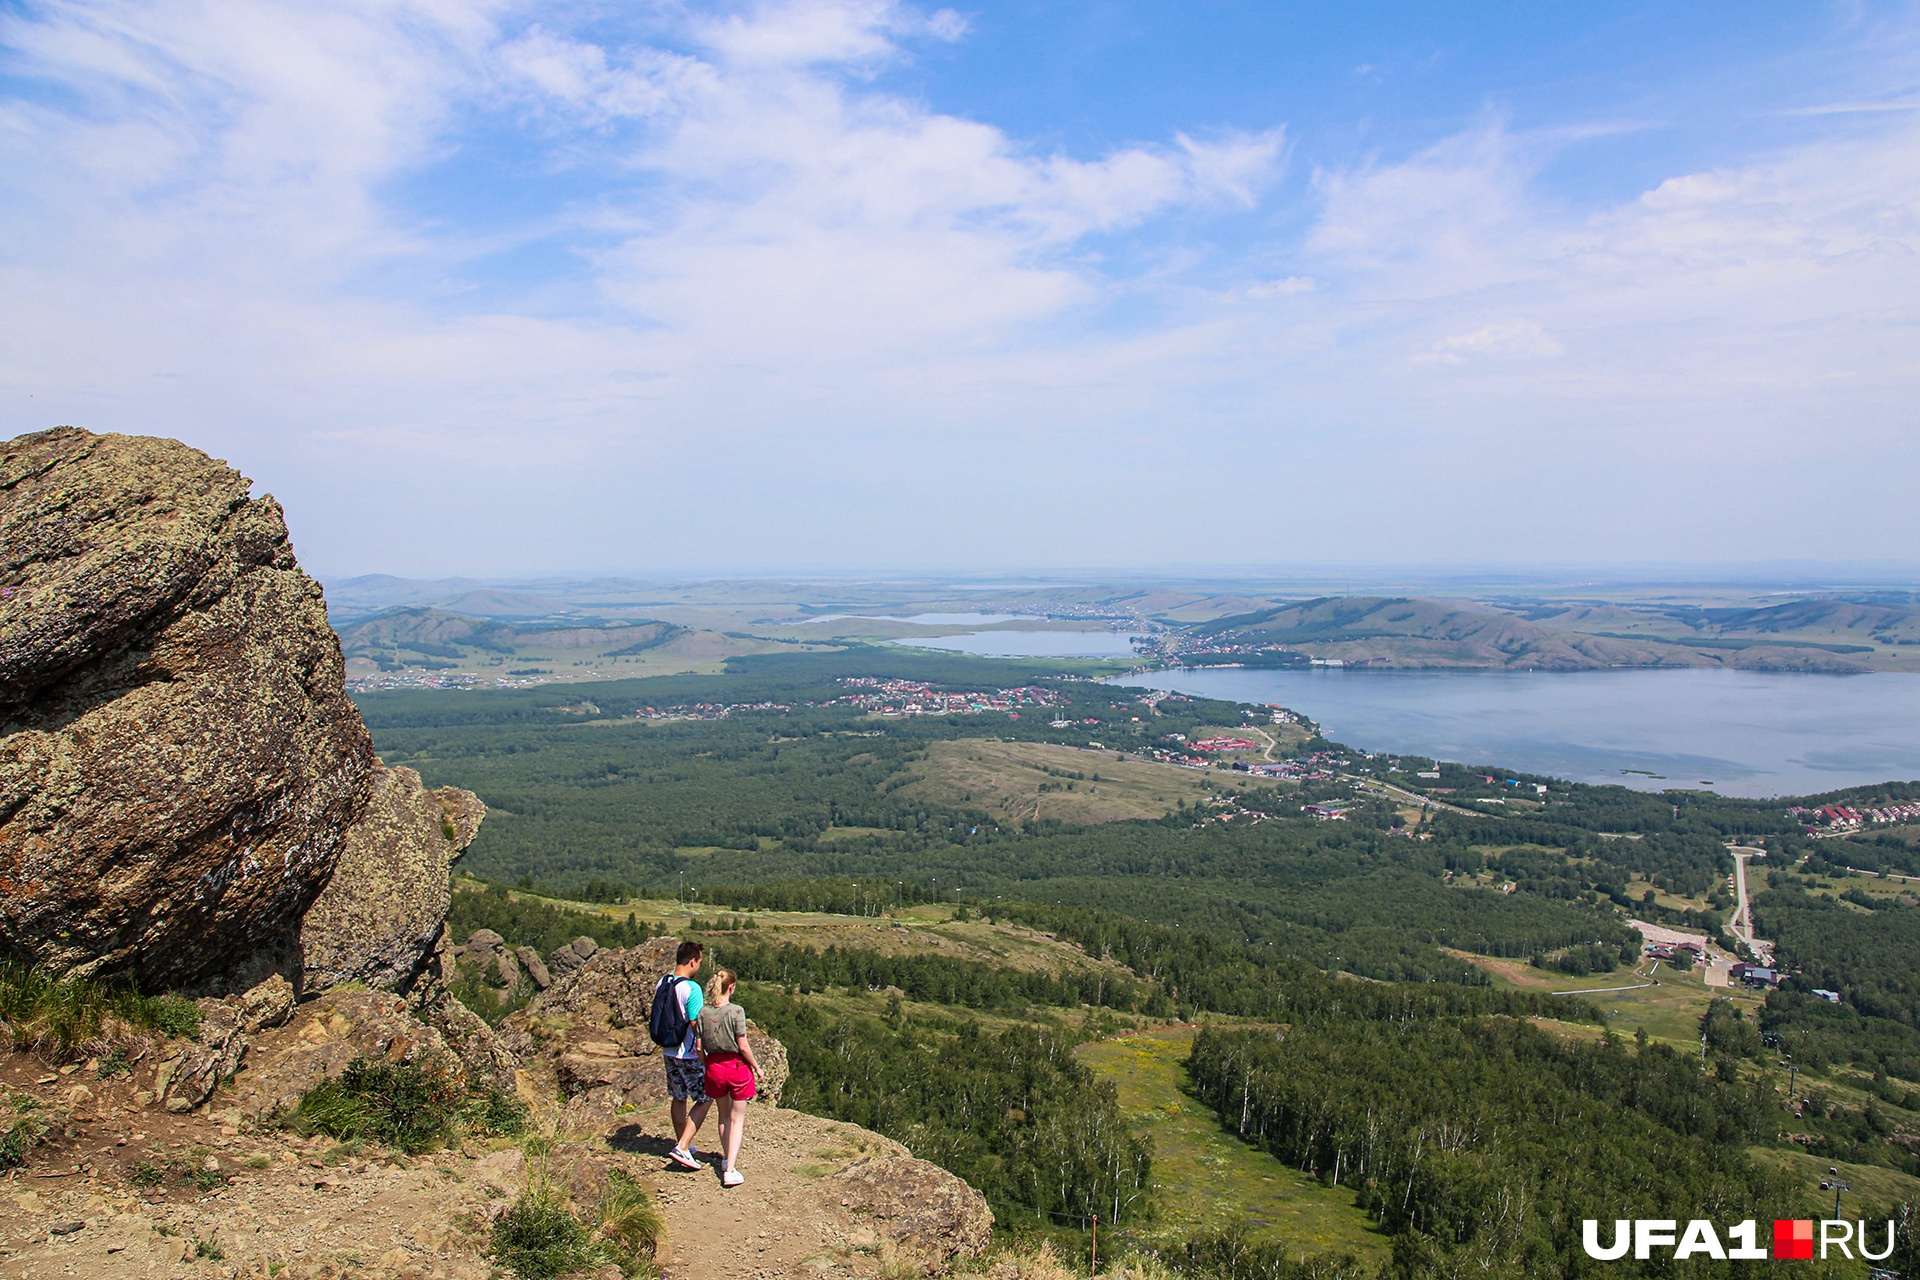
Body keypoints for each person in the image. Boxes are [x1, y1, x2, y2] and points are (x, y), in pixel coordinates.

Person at [695, 968, 761, 1187]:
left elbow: (698, 1047)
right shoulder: (736, 1012)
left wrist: (708, 1065)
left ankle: (726, 1159)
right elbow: (743, 1045)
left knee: (723, 1116)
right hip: (736, 1067)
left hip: (714, 1066)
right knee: (737, 1118)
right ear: (731, 987)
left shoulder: (703, 1013)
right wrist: (757, 1067)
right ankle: (731, 1169)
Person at [657, 939, 709, 1170]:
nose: (699, 966)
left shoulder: (663, 982)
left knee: (678, 1096)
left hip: (668, 1049)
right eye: (699, 962)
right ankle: (684, 1147)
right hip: (687, 1052)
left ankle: (681, 1141)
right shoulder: (692, 988)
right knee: (705, 1097)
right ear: (692, 961)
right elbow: (696, 1023)